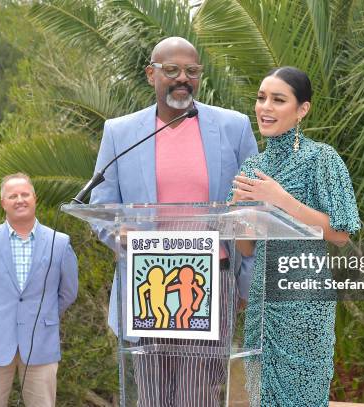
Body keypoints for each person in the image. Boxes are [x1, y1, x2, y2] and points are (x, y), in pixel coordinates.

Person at [90, 36, 258, 406]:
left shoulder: (234, 127)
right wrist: (118, 231)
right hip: (148, 281)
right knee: (152, 396)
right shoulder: (121, 133)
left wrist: (245, 282)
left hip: (211, 280)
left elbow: (253, 209)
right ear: (151, 74)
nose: (182, 78)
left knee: (198, 395)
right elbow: (101, 207)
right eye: (172, 70)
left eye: (191, 71)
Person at [229, 67, 361, 406]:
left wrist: (280, 199)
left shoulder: (322, 159)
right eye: (261, 98)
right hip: (262, 302)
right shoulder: (251, 168)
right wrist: (239, 215)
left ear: (302, 109)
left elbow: (340, 233)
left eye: (278, 100)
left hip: (304, 301)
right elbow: (245, 247)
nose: (265, 107)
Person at [0, 173, 78, 407]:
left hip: (41, 344)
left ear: (35, 198)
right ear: (3, 203)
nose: (19, 199)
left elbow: (68, 292)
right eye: (13, 196)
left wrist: (43, 315)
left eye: (25, 194)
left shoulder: (60, 243)